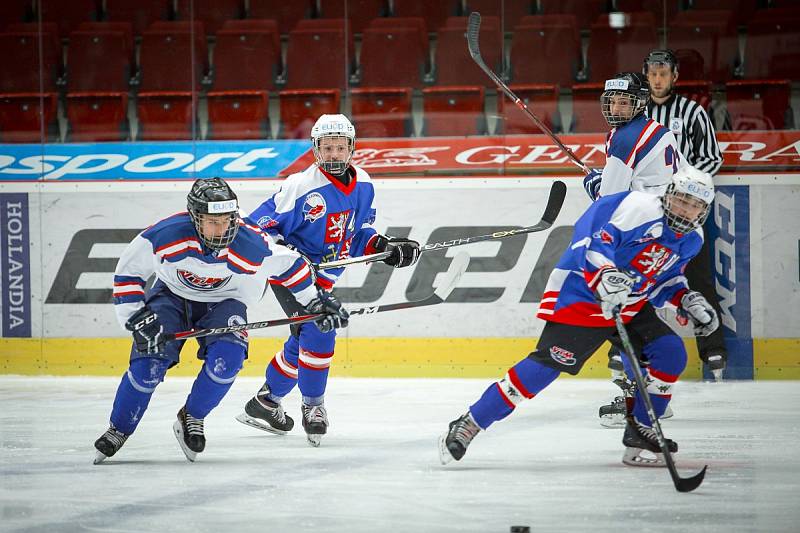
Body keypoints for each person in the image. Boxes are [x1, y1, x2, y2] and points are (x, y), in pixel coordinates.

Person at [439, 167, 720, 468]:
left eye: (694, 205)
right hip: (583, 294)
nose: (685, 209)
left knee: (671, 353)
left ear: (703, 210)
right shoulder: (640, 209)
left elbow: (662, 280)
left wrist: (684, 299)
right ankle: (471, 422)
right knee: (545, 367)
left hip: (629, 305)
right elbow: (593, 243)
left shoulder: (693, 240)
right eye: (681, 200)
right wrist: (605, 275)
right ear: (669, 195)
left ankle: (641, 431)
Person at [93, 178, 349, 464]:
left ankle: (192, 416)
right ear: (195, 218)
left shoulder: (250, 242)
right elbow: (128, 274)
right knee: (148, 364)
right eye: (212, 221)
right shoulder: (166, 235)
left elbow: (291, 265)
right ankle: (120, 428)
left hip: (224, 302)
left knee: (227, 361)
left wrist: (314, 302)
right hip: (171, 297)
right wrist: (136, 317)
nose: (222, 228)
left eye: (227, 220)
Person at [235, 114, 420, 447]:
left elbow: (357, 232)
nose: (334, 154)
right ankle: (313, 406)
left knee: (305, 337)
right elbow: (255, 229)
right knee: (321, 327)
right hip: (291, 273)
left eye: (340, 147)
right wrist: (287, 251)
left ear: (351, 148)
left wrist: (384, 247)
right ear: (316, 149)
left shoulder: (363, 182)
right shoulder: (299, 186)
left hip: (326, 274)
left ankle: (265, 402)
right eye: (327, 147)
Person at [643, 48, 727, 381]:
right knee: (637, 276)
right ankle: (626, 350)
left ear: (675, 76)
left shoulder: (692, 112)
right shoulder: (638, 113)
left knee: (699, 277)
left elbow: (711, 157)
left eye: (664, 73)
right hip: (648, 213)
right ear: (647, 75)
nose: (658, 78)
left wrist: (685, 185)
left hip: (685, 211)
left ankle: (712, 346)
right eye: (653, 73)